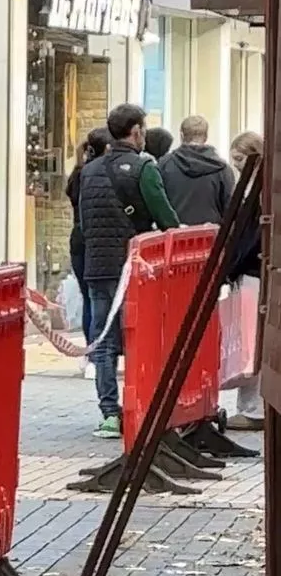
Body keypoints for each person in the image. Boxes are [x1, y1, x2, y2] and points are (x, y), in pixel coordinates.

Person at [79, 103, 180, 438]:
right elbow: (167, 220)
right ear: (136, 131)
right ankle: (141, 407)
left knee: (103, 342)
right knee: (140, 338)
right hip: (135, 269)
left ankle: (109, 413)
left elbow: (83, 222)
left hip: (97, 265)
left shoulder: (88, 171)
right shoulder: (143, 169)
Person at [226, 131, 264, 431]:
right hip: (249, 271)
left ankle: (253, 408)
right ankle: (250, 405)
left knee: (251, 342)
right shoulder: (252, 187)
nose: (235, 164)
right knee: (250, 341)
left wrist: (232, 264)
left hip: (251, 272)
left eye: (239, 158)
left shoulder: (257, 192)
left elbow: (250, 236)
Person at [66, 127, 110, 344]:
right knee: (99, 299)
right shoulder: (99, 175)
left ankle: (90, 348)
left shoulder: (77, 174)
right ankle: (99, 349)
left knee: (88, 298)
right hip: (96, 241)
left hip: (78, 240)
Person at [158, 115, 234, 225]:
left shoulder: (164, 164)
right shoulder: (223, 168)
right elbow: (229, 208)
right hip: (210, 235)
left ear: (181, 135)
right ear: (206, 136)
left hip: (176, 235)